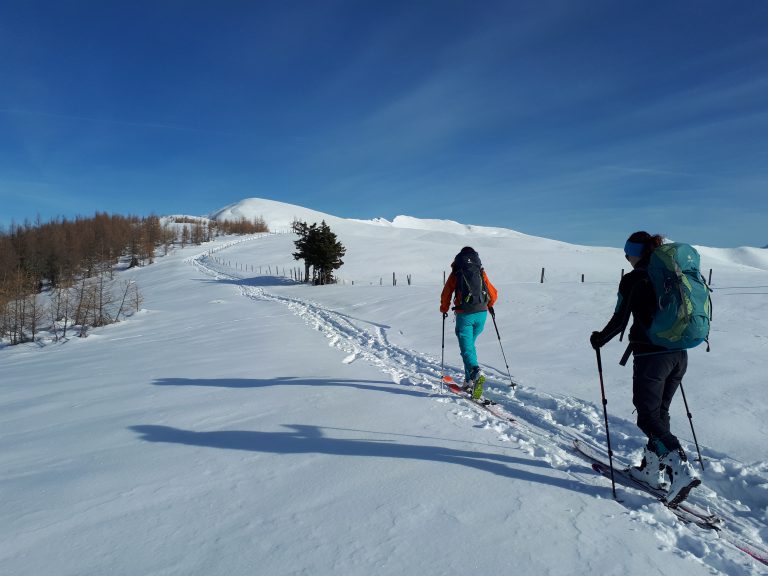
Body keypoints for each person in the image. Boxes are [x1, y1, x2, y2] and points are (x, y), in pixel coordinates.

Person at [590, 231, 700, 506]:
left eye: (627, 253)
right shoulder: (670, 275)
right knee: (659, 413)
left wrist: (598, 338)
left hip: (652, 357)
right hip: (679, 355)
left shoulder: (634, 278)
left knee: (647, 417)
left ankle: (679, 468)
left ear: (634, 253)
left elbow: (619, 320)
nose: (626, 258)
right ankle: (651, 471)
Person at [440, 247, 498, 399]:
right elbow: (493, 293)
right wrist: (488, 304)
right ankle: (468, 381)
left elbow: (446, 292)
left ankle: (475, 373)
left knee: (467, 349)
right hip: (482, 314)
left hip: (465, 315)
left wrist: (444, 308)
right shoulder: (480, 271)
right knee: (469, 348)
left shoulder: (457, 272)